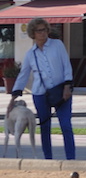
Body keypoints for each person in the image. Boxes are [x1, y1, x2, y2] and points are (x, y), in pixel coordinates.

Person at [8, 17, 75, 160]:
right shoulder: (30, 53)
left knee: (66, 125)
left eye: (44, 29)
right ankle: (48, 159)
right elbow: (23, 75)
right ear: (33, 33)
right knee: (45, 128)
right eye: (39, 30)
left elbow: (66, 66)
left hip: (62, 91)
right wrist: (13, 98)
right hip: (40, 94)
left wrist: (68, 86)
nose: (42, 33)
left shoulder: (57, 45)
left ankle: (71, 159)